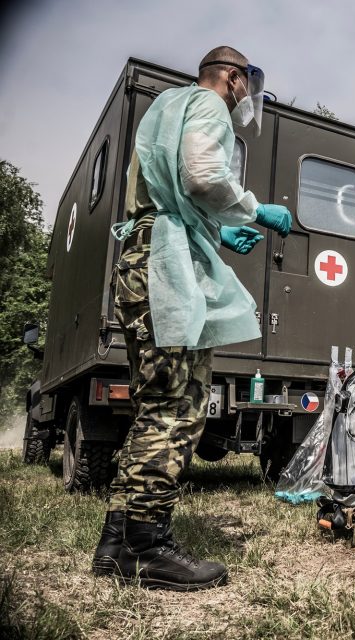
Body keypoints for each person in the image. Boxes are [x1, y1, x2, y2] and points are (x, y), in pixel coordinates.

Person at [91, 46, 293, 591]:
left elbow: (168, 191)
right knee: (177, 408)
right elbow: (203, 177)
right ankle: (146, 546)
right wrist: (255, 210)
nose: (247, 97)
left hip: (143, 256)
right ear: (232, 78)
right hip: (165, 267)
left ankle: (117, 540)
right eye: (247, 84)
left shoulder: (165, 109)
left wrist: (217, 230)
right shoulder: (208, 105)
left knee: (153, 403)